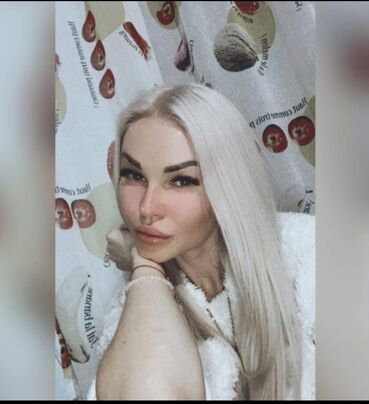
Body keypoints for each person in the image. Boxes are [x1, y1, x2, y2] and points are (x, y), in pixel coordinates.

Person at [89, 83, 313, 400]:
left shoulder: (311, 254)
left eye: (181, 180)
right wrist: (143, 264)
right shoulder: (139, 308)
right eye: (134, 175)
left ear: (228, 184)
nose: (147, 209)